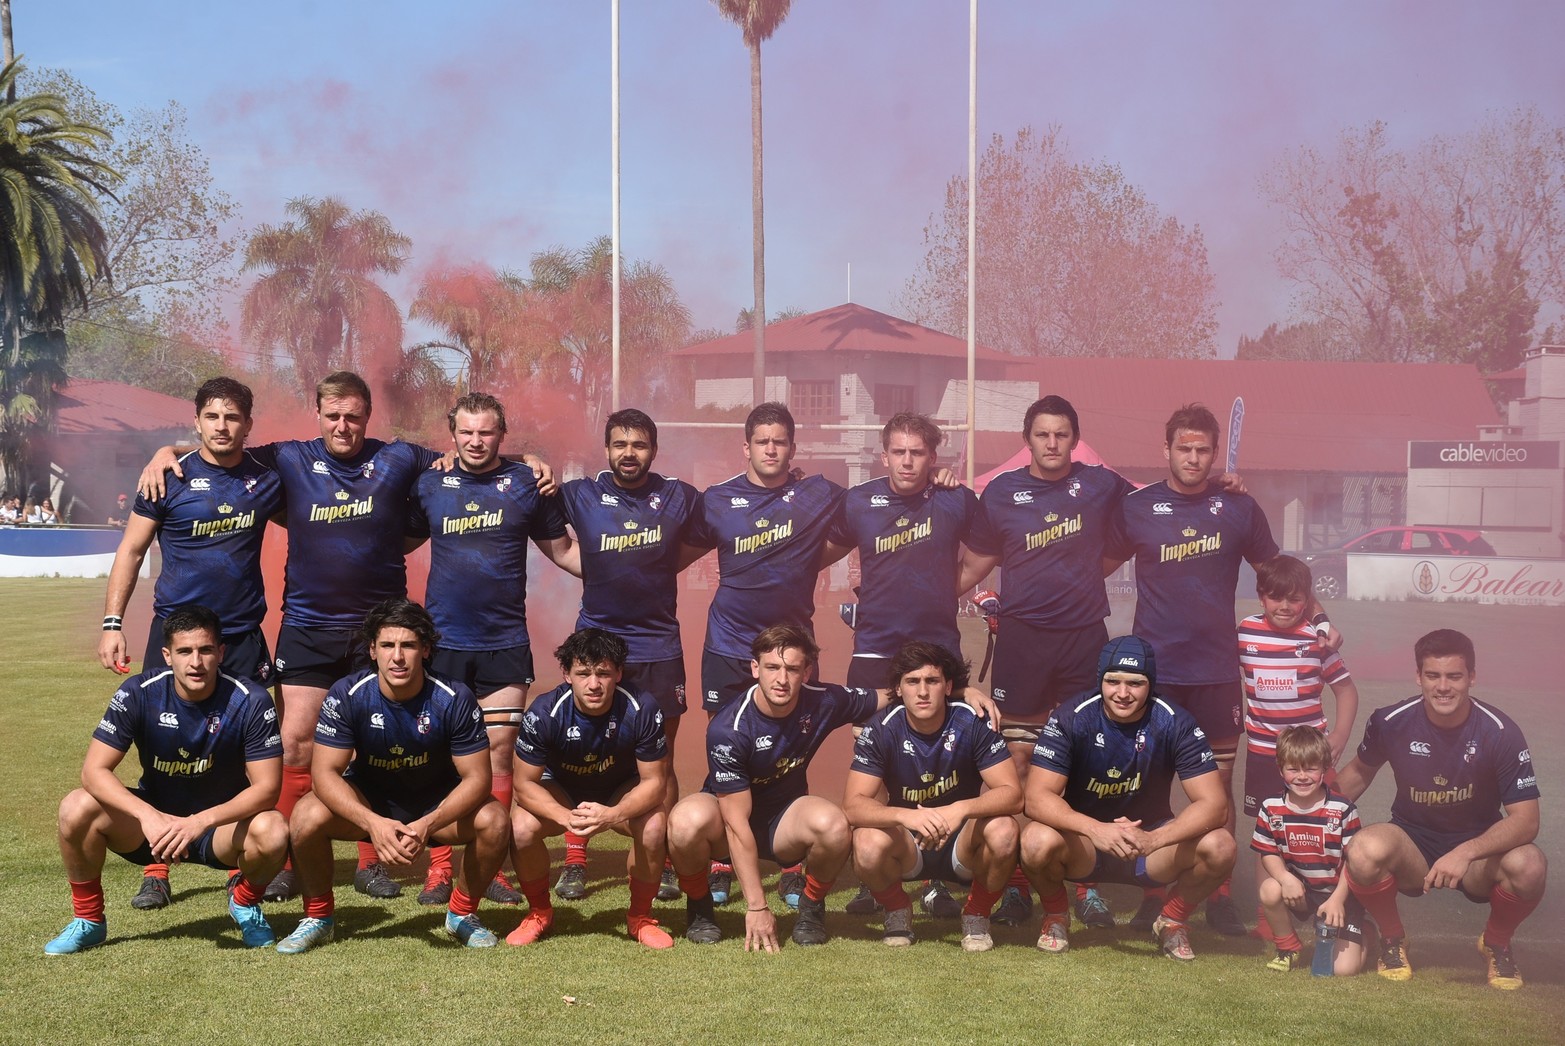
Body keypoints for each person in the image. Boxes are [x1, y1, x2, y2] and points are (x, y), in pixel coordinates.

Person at [139, 371, 552, 903]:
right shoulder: (288, 458)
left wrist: (529, 461)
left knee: (384, 741)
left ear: (367, 416)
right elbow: (220, 445)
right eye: (333, 415)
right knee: (295, 743)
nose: (343, 425)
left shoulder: (400, 458)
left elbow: (475, 457)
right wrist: (163, 449)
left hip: (380, 631)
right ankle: (287, 855)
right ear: (318, 414)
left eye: (353, 416)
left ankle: (374, 860)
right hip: (308, 626)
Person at [1105, 403, 1309, 936]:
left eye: (1202, 450)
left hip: (1217, 672)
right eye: (1184, 448)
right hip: (1157, 674)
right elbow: (1091, 565)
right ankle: (1153, 892)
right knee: (1150, 788)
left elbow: (1281, 577)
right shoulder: (1138, 507)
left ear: (1215, 453)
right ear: (1165, 450)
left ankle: (1217, 894)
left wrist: (1322, 623)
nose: (1193, 458)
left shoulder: (1237, 508)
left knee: (1216, 789)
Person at [668, 625, 1000, 949]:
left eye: (792, 669)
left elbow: (898, 692)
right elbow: (735, 823)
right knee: (684, 822)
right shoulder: (729, 727)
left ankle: (810, 910)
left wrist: (960, 692)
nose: (782, 679)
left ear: (807, 672)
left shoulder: (823, 700)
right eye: (772, 667)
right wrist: (757, 906)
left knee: (836, 824)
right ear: (756, 668)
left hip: (784, 819)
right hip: (727, 820)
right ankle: (700, 908)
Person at [99, 377, 285, 911]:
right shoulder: (167, 478)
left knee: (249, 751)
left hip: (242, 638)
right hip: (177, 637)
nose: (222, 427)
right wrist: (113, 622)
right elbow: (132, 551)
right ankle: (157, 865)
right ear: (197, 421)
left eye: (233, 418)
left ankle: (242, 859)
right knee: (162, 746)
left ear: (248, 425)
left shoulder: (267, 477)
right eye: (213, 417)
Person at [955, 396, 1135, 929]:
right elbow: (979, 559)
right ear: (1027, 439)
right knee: (1017, 760)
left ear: (1074, 439)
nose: (1052, 444)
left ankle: (1085, 880)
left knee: (1085, 759)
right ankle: (1013, 882)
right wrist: (927, 596)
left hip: (1083, 638)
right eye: (1042, 435)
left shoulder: (1101, 484)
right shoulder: (1003, 492)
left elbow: (1152, 510)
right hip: (1023, 640)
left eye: (1062, 435)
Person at [405, 392, 574, 907]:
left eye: (487, 432)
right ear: (451, 433)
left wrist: (627, 575)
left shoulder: (528, 482)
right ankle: (438, 869)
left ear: (503, 435)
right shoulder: (428, 482)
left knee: (499, 754)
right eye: (467, 432)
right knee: (441, 758)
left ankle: (489, 861)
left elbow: (563, 551)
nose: (476, 441)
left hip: (503, 643)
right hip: (444, 643)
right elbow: (392, 541)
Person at [45, 605, 287, 954]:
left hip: (218, 829)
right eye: (184, 651)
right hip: (152, 828)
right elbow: (93, 772)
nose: (196, 662)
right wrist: (150, 817)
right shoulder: (139, 692)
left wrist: (197, 822)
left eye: (205, 650)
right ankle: (89, 920)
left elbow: (268, 789)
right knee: (76, 806)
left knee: (274, 830)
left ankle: (245, 904)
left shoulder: (251, 699)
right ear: (167, 655)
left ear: (221, 652)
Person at [274, 598, 509, 953]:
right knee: (306, 815)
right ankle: (319, 917)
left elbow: (478, 779)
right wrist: (373, 823)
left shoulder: (454, 697)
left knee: (495, 821)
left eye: (409, 645)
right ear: (372, 650)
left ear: (426, 650)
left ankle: (461, 914)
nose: (397, 656)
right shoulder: (349, 693)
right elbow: (324, 774)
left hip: (435, 805)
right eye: (387, 645)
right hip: (372, 801)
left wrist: (428, 823)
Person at [822, 412, 981, 920]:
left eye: (917, 453)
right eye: (899, 451)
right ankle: (879, 874)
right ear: (884, 454)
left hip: (936, 650)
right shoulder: (859, 501)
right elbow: (820, 550)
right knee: (876, 765)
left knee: (940, 763)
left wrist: (946, 590)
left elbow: (987, 553)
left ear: (934, 458)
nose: (907, 461)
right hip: (874, 651)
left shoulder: (955, 499)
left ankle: (938, 878)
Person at [550, 408, 702, 903]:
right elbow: (548, 533)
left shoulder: (679, 496)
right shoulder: (579, 494)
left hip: (659, 646)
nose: (628, 453)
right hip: (596, 645)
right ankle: (576, 857)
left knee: (661, 757)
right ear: (607, 448)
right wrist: (587, 567)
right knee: (583, 753)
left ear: (653, 450)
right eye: (620, 444)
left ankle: (668, 860)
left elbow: (702, 537)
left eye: (638, 445)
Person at [1336, 629, 1545, 989]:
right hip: (1413, 845)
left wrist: (1465, 852)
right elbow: (1357, 773)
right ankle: (1392, 939)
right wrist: (1305, 810)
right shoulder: (1390, 721)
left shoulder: (1500, 732)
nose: (1443, 686)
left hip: (1478, 852)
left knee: (1529, 865)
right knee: (1364, 848)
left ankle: (1496, 944)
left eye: (1454, 676)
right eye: (1433, 675)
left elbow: (1526, 821)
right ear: (1418, 676)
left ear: (1472, 677)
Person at [1018, 636, 1235, 961]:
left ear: (1151, 684)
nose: (1122, 693)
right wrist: (1095, 829)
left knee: (1221, 846)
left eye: (1135, 683)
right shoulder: (1071, 716)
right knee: (1035, 841)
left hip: (1149, 847)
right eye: (1112, 681)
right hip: (1086, 846)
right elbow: (1035, 798)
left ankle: (1171, 920)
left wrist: (1154, 838)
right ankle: (1056, 916)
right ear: (1099, 681)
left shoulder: (1175, 721)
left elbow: (1214, 806)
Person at [843, 642, 1020, 951]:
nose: (922, 691)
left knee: (1004, 829)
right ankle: (898, 909)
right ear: (898, 688)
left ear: (948, 686)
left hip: (961, 841)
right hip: (908, 844)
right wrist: (906, 815)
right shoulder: (882, 728)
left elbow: (1013, 795)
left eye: (932, 681)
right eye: (913, 682)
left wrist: (961, 809)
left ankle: (977, 915)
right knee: (866, 842)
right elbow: (854, 806)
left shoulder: (972, 721)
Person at [505, 628, 673, 949]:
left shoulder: (643, 708)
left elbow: (655, 784)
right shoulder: (543, 712)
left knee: (654, 826)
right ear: (566, 674)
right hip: (562, 793)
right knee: (522, 827)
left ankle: (641, 917)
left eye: (603, 673)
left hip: (617, 792)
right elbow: (524, 786)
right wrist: (564, 816)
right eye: (583, 673)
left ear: (618, 674)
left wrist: (613, 814)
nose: (593, 684)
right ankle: (539, 913)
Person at [1252, 725, 1368, 975]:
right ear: (1281, 768)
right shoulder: (1270, 807)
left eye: (1311, 768)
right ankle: (1288, 948)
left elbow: (1354, 862)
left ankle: (1366, 933)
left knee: (1343, 970)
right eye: (1293, 768)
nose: (1302, 776)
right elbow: (1268, 851)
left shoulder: (1343, 809)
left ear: (1324, 768)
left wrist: (1338, 899)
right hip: (1301, 890)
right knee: (1270, 888)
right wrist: (1285, 878)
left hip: (1341, 893)